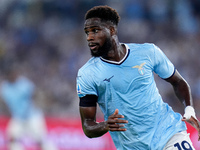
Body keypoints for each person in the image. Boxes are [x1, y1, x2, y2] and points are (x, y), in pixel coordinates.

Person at [76, 5, 200, 150]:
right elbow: (87, 126)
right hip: (132, 146)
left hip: (168, 134)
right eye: (87, 32)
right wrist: (105, 125)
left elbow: (178, 81)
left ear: (112, 30)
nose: (89, 37)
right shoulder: (87, 74)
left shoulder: (148, 52)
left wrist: (189, 110)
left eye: (95, 31)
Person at [0, 65, 57, 150]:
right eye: (12, 74)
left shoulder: (24, 83)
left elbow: (35, 95)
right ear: (8, 75)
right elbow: (5, 102)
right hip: (18, 117)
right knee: (12, 138)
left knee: (40, 140)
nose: (15, 75)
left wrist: (37, 105)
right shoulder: (5, 87)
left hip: (32, 116)